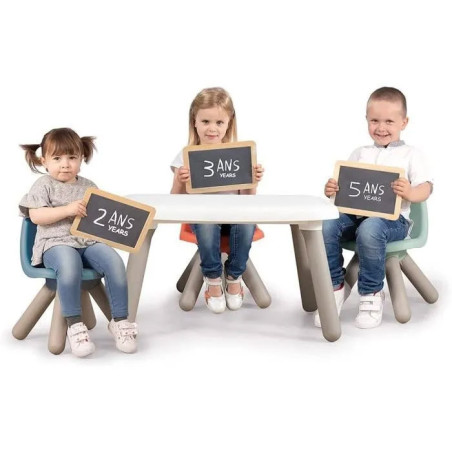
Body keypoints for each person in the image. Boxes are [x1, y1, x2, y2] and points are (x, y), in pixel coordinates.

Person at [317, 87, 433, 329]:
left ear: (404, 122)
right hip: (356, 215)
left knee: (370, 228)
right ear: (367, 121)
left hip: (393, 221)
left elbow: (427, 188)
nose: (381, 127)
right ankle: (334, 286)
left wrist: (411, 192)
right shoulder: (360, 153)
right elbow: (347, 188)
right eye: (374, 121)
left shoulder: (411, 155)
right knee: (327, 222)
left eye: (389, 121)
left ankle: (371, 293)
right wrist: (333, 189)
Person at [19, 128, 138, 356]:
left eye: (72, 157)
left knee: (114, 261)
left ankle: (121, 322)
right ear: (44, 161)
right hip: (55, 243)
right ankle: (75, 325)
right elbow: (36, 217)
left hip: (88, 242)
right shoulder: (43, 185)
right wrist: (67, 210)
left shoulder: (88, 186)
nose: (65, 164)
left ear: (81, 159)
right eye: (57, 158)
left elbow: (101, 218)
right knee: (69, 263)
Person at [170, 87, 264, 314]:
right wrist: (180, 180)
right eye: (205, 121)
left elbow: (247, 200)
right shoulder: (185, 156)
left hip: (235, 217)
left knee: (247, 221)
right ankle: (212, 279)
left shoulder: (240, 155)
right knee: (207, 221)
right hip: (201, 220)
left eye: (219, 123)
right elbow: (174, 201)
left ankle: (234, 276)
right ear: (194, 121)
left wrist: (253, 181)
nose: (212, 128)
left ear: (228, 124)